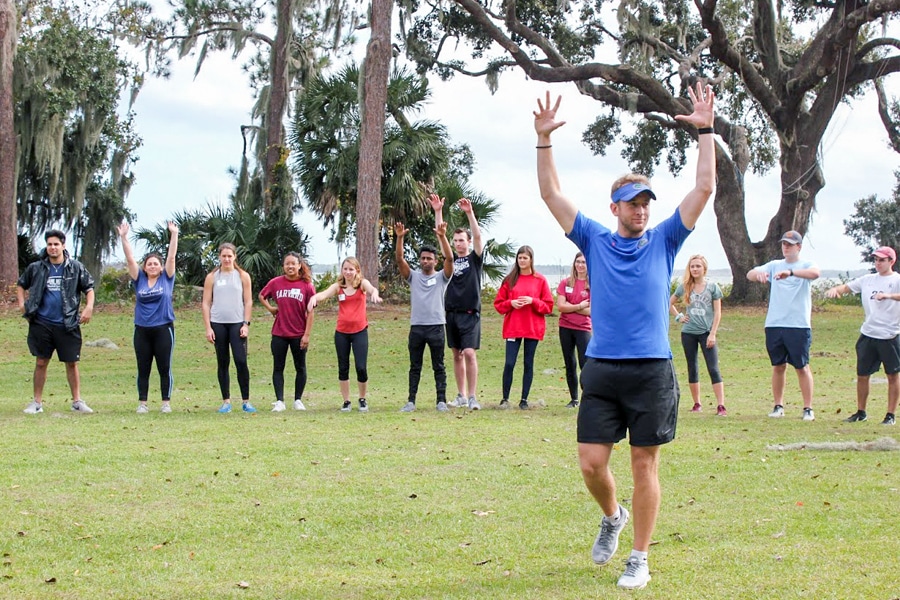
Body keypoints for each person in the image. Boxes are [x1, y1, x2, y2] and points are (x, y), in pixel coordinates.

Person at [533, 82, 716, 590]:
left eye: (645, 203)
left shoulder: (665, 239)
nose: (641, 210)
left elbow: (703, 190)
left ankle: (639, 556)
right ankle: (611, 516)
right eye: (632, 204)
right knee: (592, 465)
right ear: (614, 208)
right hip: (604, 367)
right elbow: (551, 194)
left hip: (652, 369)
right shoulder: (592, 238)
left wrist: (705, 131)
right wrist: (544, 141)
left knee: (644, 463)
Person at [18, 229, 96, 414]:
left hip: (67, 322)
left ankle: (77, 401)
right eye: (50, 244)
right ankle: (37, 403)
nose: (53, 248)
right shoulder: (36, 267)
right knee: (41, 362)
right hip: (42, 322)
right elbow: (21, 284)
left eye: (56, 244)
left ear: (63, 245)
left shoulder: (75, 267)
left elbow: (89, 288)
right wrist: (22, 304)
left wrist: (89, 307)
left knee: (71, 363)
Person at [747, 230, 820, 421]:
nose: (786, 247)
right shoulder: (774, 265)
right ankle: (778, 405)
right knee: (778, 366)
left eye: (790, 244)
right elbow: (750, 273)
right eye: (784, 244)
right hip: (775, 323)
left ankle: (808, 408)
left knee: (801, 366)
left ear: (799, 247)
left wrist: (792, 273)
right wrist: (759, 275)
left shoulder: (805, 265)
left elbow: (815, 273)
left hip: (798, 325)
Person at [825, 246, 900, 426]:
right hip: (868, 334)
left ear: (891, 261)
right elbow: (846, 287)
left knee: (893, 375)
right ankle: (861, 412)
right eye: (876, 260)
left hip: (890, 335)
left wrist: (889, 296)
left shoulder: (897, 280)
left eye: (882, 260)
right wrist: (836, 290)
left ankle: (890, 415)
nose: (878, 263)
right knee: (862, 375)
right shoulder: (867, 280)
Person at [395, 195, 455, 413]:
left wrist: (443, 237)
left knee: (439, 365)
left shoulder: (442, 277)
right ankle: (411, 400)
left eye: (430, 258)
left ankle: (441, 400)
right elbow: (400, 260)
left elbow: (450, 259)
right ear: (419, 260)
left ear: (435, 260)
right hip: (417, 327)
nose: (426, 261)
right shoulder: (413, 276)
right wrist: (400, 237)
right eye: (423, 258)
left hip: (437, 326)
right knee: (415, 366)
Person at [118, 221, 179, 414]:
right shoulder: (140, 280)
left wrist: (174, 234)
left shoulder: (166, 278)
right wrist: (124, 237)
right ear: (144, 268)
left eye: (156, 264)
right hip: (142, 329)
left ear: (161, 268)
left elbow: (171, 257)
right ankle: (143, 403)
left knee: (164, 367)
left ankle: (165, 403)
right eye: (149, 264)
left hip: (164, 328)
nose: (152, 266)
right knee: (143, 368)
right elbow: (129, 259)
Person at [308, 257, 381, 412]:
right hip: (342, 333)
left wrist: (374, 292)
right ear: (342, 270)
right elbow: (324, 294)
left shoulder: (361, 284)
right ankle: (346, 401)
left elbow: (371, 287)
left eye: (351, 269)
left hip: (360, 332)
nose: (348, 272)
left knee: (361, 367)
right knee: (343, 367)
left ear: (357, 271)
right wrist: (314, 298)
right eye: (345, 269)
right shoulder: (338, 287)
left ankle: (362, 399)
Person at [494, 246, 554, 409]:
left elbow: (548, 307)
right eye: (519, 258)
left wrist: (533, 301)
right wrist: (511, 303)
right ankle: (505, 398)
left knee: (528, 363)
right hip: (513, 328)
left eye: (525, 258)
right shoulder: (510, 280)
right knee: (509, 363)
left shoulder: (540, 280)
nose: (522, 261)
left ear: (531, 260)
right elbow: (498, 305)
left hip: (532, 328)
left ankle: (524, 400)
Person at [202, 243, 257, 414]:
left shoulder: (242, 276)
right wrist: (208, 327)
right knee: (223, 362)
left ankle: (246, 401)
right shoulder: (212, 277)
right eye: (224, 256)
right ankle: (226, 401)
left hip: (237, 323)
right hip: (218, 323)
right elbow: (206, 303)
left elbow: (248, 301)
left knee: (241, 361)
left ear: (234, 257)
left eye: (229, 256)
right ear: (219, 257)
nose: (226, 259)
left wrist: (246, 324)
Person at [258, 252, 317, 412]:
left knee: (301, 367)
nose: (290, 266)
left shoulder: (307, 285)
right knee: (278, 367)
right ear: (283, 266)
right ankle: (280, 401)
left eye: (293, 264)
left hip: (298, 334)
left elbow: (311, 312)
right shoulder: (276, 283)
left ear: (299, 265)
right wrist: (271, 309)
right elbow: (262, 295)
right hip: (279, 333)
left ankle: (298, 399)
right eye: (287, 264)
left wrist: (307, 334)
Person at [670, 254, 727, 416]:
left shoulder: (712, 287)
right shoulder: (685, 287)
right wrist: (679, 316)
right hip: (688, 332)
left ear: (704, 269)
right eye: (692, 266)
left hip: (706, 333)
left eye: (698, 266)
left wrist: (713, 333)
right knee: (692, 366)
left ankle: (721, 405)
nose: (695, 269)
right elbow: (669, 302)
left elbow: (717, 313)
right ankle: (697, 403)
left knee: (713, 368)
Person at [444, 198, 484, 410]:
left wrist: (470, 213)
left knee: (469, 353)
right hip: (451, 313)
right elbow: (440, 235)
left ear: (467, 242)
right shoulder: (449, 260)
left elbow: (477, 236)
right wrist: (439, 212)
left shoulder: (474, 259)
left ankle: (472, 396)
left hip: (470, 314)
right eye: (456, 240)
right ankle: (460, 395)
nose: (459, 243)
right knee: (456, 354)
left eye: (462, 240)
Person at [556, 252, 591, 408]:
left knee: (586, 363)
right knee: (570, 363)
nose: (581, 265)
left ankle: (588, 397)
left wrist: (570, 308)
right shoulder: (566, 283)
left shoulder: (592, 285)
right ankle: (574, 398)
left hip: (583, 329)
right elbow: (561, 306)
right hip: (565, 327)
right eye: (578, 262)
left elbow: (591, 311)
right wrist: (579, 306)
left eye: (584, 262)